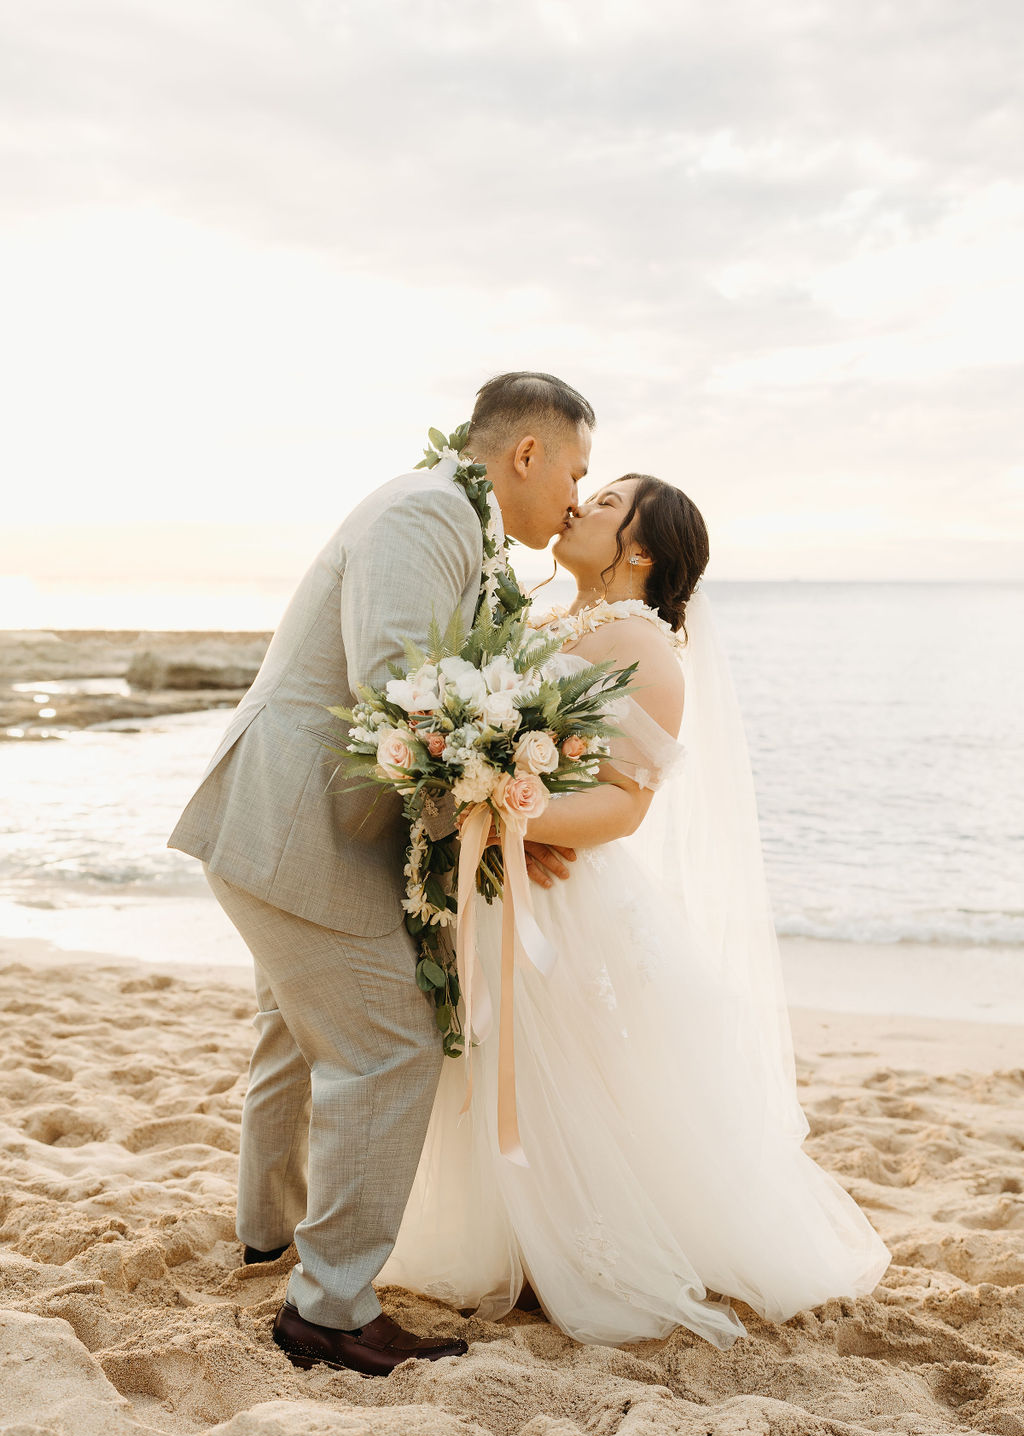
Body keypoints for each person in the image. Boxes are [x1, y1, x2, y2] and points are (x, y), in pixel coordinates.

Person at [380, 473, 892, 1348]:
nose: (581, 506)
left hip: (559, 901)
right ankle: (511, 1238)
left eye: (610, 504)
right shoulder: (543, 623)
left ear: (643, 551)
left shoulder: (645, 646)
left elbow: (623, 806)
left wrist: (504, 812)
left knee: (575, 1076)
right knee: (499, 1063)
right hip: (499, 874)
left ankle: (595, 1245)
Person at [167, 372, 593, 1374]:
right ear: (523, 454)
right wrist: (504, 809)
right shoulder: (428, 512)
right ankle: (327, 1305)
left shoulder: (443, 512)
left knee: (298, 1028)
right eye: (576, 468)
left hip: (290, 824)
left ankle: (268, 1236)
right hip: (298, 828)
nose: (577, 495)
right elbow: (401, 692)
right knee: (392, 1043)